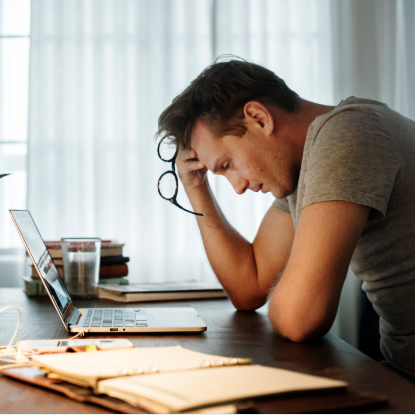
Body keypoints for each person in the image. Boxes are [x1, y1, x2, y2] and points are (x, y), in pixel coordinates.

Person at [156, 58, 415, 380]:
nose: (237, 187)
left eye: (228, 164)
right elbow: (249, 288)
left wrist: (294, 292)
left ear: (258, 118)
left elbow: (299, 319)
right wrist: (196, 187)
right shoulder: (303, 166)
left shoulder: (350, 134)